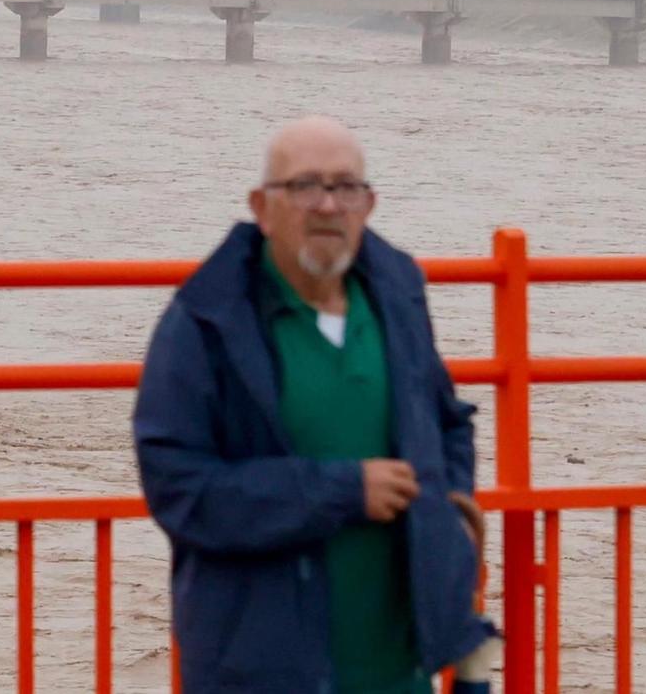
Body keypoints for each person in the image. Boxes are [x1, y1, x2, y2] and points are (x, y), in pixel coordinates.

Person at [133, 115, 497, 693]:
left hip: (398, 671)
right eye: (304, 186)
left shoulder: (397, 299)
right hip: (258, 672)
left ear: (369, 204)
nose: (327, 205)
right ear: (261, 205)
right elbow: (179, 489)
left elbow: (448, 423)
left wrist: (446, 522)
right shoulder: (205, 324)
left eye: (345, 187)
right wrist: (342, 492)